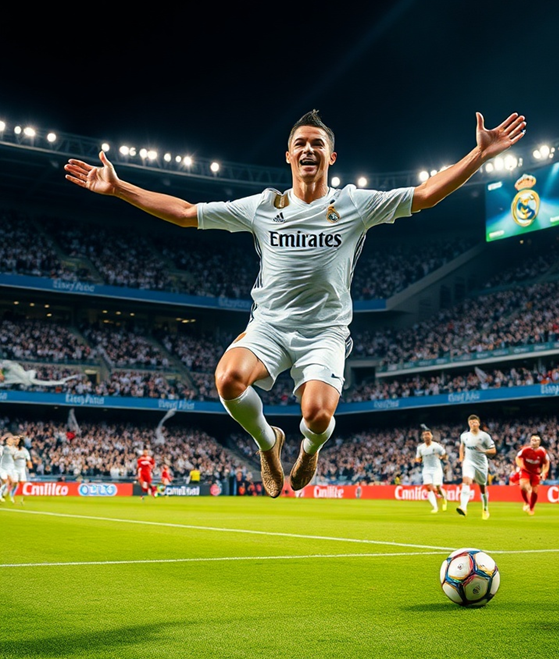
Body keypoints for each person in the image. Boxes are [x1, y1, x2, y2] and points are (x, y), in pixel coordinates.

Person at [65, 109, 526, 499]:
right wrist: (120, 189)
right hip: (268, 325)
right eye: (300, 144)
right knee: (227, 380)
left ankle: (309, 449)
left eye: (317, 144)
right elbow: (186, 214)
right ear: (288, 155)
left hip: (325, 332)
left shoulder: (355, 204)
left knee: (318, 415)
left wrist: (479, 155)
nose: (309, 150)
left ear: (331, 156)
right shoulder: (263, 207)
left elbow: (424, 196)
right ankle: (269, 443)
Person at [457, 414, 496, 519]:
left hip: (481, 465)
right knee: (466, 481)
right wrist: (461, 458)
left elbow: (493, 450)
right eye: (471, 422)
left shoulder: (485, 436)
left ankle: (485, 508)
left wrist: (484, 451)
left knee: (482, 488)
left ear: (478, 423)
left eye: (475, 422)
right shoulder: (464, 436)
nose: (473, 424)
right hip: (468, 462)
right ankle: (463, 507)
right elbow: (462, 446)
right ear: (468, 424)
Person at [514, 434, 550, 515]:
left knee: (535, 491)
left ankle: (531, 507)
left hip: (536, 472)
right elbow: (517, 457)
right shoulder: (525, 450)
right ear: (530, 441)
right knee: (523, 485)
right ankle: (526, 502)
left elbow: (547, 463)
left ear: (539, 442)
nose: (534, 442)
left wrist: (544, 472)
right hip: (525, 470)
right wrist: (521, 466)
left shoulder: (542, 452)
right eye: (533, 440)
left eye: (536, 440)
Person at [414, 429, 448, 513]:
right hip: (426, 469)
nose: (426, 436)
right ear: (423, 437)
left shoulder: (436, 446)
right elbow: (418, 458)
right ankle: (435, 507)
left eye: (428, 434)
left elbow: (445, 455)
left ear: (431, 436)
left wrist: (442, 457)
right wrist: (418, 460)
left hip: (436, 469)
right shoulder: (420, 448)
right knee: (428, 487)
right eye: (424, 435)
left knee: (437, 487)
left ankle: (444, 498)